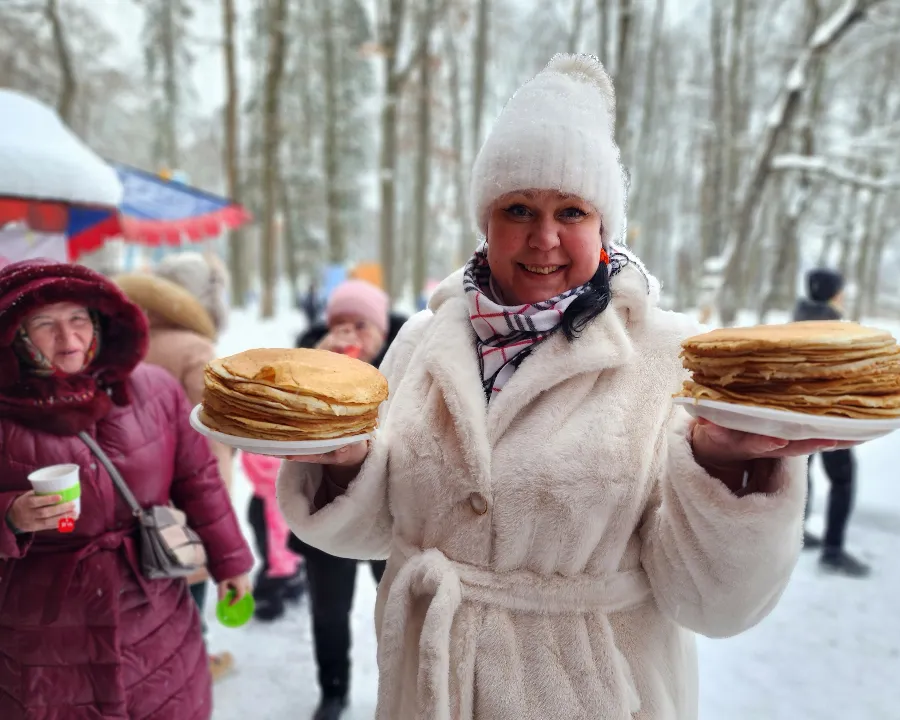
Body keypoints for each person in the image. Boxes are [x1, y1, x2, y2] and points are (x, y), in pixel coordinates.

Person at [276, 55, 846, 720]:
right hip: (431, 691)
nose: (543, 237)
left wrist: (724, 472)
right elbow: (379, 532)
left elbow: (715, 604)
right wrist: (348, 470)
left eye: (570, 210)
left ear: (603, 228)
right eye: (518, 207)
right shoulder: (423, 342)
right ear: (485, 222)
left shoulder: (671, 356)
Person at [0, 258, 254, 719]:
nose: (69, 338)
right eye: (45, 324)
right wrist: (10, 516)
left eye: (79, 319)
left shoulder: (154, 389)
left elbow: (198, 480)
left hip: (153, 605)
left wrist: (230, 560)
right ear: (16, 332)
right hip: (45, 631)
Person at [114, 251, 242, 679]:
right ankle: (192, 661)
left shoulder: (130, 340)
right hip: (193, 485)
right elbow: (217, 425)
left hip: (134, 486)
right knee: (192, 568)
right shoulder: (197, 349)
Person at [289, 278, 406, 720]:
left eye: (362, 324)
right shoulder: (309, 357)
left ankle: (398, 689)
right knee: (329, 611)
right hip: (327, 508)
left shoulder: (409, 358)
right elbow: (287, 422)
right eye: (340, 323)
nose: (351, 333)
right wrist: (321, 363)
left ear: (381, 329)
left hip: (390, 514)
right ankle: (333, 690)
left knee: (396, 610)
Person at [793, 267, 870, 577]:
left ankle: (797, 534)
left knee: (802, 471)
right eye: (840, 289)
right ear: (833, 293)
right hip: (829, 415)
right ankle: (833, 550)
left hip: (794, 412)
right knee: (843, 480)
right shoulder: (835, 327)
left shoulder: (797, 319)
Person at [240, 450, 305, 621]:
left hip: (296, 506)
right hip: (268, 509)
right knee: (274, 558)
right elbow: (258, 464)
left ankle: (292, 581)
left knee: (296, 552)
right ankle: (267, 598)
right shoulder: (261, 442)